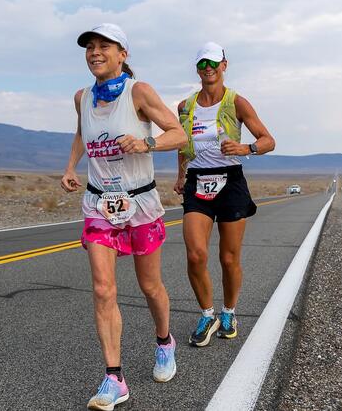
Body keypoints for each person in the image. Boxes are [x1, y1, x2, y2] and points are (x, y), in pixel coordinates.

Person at [61, 23, 187, 410]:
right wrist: (70, 167)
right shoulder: (82, 96)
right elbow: (82, 132)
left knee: (150, 287)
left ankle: (164, 342)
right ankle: (114, 377)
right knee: (103, 289)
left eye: (104, 46)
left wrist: (146, 141)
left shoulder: (139, 92)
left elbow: (178, 134)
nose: (95, 52)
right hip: (99, 204)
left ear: (123, 54)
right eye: (90, 47)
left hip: (140, 204)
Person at [174, 42, 275, 347]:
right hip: (197, 182)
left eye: (213, 63)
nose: (208, 69)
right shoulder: (185, 107)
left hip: (230, 182)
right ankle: (207, 314)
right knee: (195, 254)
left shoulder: (237, 102)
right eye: (202, 64)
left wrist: (246, 148)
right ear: (197, 69)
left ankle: (229, 311)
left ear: (224, 65)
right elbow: (182, 143)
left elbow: (268, 140)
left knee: (228, 258)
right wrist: (180, 175)